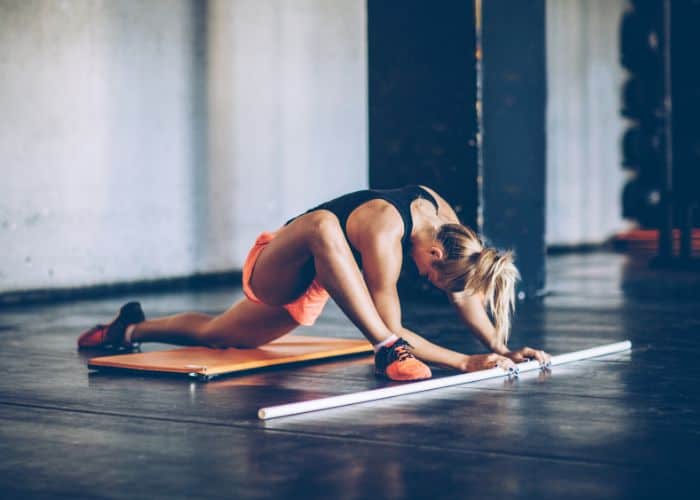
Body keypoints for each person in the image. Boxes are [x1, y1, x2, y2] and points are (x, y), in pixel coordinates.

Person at [78, 185, 550, 381]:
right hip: (279, 266)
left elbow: (462, 293)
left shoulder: (448, 228)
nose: (428, 281)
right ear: (433, 253)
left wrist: (502, 346)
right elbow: (395, 329)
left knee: (218, 335)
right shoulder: (387, 232)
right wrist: (465, 359)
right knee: (323, 224)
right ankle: (381, 351)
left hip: (321, 282)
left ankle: (127, 330)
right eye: (431, 275)